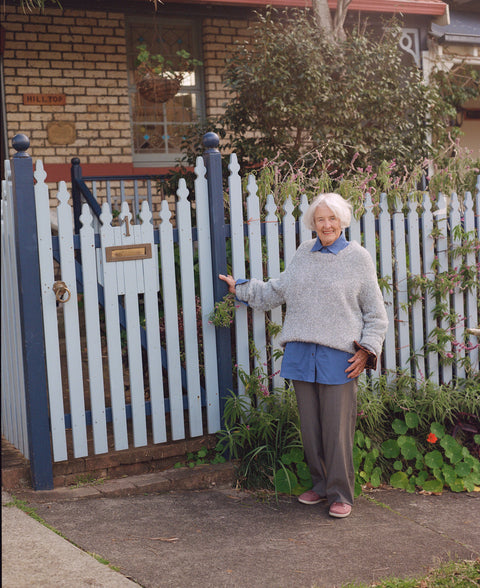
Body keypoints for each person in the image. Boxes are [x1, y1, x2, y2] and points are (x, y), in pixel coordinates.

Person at [219, 192, 388, 518]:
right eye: (321, 219)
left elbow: (376, 314)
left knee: (337, 431)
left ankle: (341, 494)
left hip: (339, 356)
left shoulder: (358, 258)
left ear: (342, 221)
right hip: (301, 352)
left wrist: (368, 351)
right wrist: (241, 288)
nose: (326, 225)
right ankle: (321, 485)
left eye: (332, 218)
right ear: (314, 223)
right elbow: (277, 290)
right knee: (310, 429)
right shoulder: (303, 253)